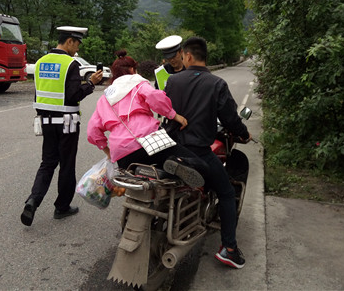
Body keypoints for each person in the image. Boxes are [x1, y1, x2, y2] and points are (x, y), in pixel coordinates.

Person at [164, 36, 252, 269]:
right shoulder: (216, 84)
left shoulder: (172, 81)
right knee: (226, 192)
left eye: (182, 55)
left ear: (188, 55)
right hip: (199, 151)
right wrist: (244, 134)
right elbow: (230, 119)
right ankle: (229, 249)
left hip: (170, 148)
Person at [87, 50, 208, 186]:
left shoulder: (104, 99)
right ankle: (173, 167)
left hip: (122, 156)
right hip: (149, 142)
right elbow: (155, 98)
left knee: (141, 181)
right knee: (200, 166)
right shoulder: (137, 84)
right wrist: (174, 115)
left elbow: (92, 131)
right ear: (132, 70)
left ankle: (165, 171)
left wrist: (109, 152)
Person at [21, 26, 103, 226]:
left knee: (48, 162)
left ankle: (33, 200)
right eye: (77, 44)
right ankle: (62, 207)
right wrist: (90, 83)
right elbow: (74, 95)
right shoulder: (70, 64)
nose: (77, 49)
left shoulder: (41, 62)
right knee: (66, 164)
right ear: (69, 41)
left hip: (46, 121)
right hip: (67, 123)